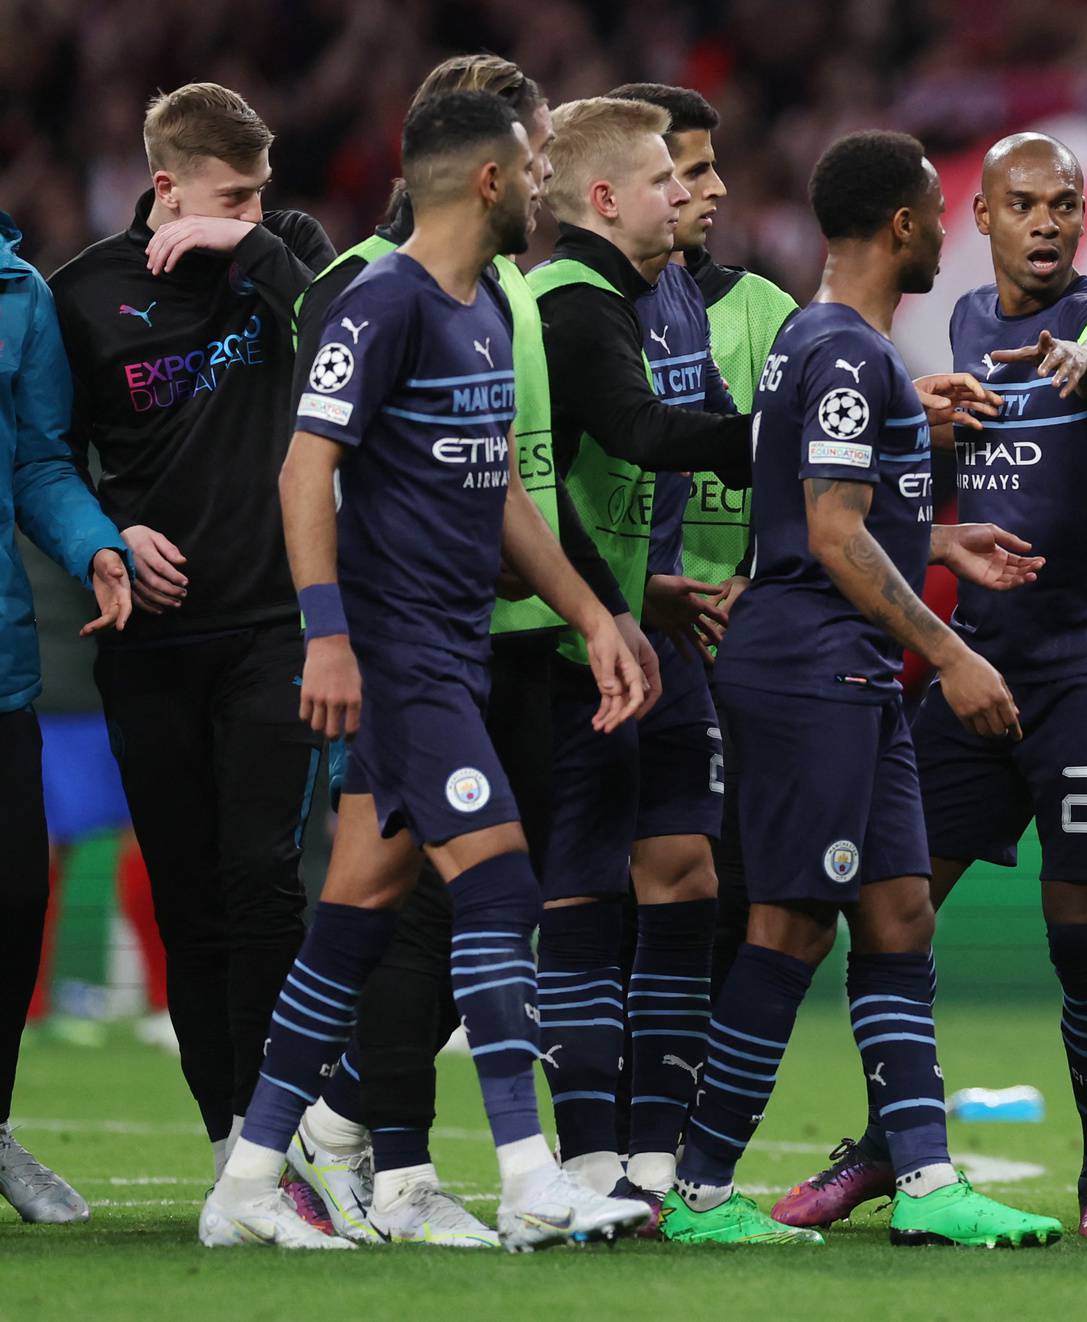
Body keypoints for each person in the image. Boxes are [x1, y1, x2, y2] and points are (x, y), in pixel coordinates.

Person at [198, 90, 652, 1251]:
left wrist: (593, 615)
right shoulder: (382, 300)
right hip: (400, 657)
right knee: (500, 887)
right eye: (539, 160)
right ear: (490, 180)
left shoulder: (488, 308)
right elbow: (306, 472)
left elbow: (497, 494)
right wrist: (328, 633)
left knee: (352, 920)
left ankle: (247, 1179)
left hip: (456, 651)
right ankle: (527, 1174)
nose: (549, 178)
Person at [661, 129, 1058, 1249]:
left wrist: (937, 538)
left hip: (847, 666)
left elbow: (821, 513)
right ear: (900, 226)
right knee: (791, 924)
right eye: (938, 212)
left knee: (896, 912)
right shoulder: (846, 353)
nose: (947, 232)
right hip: (814, 668)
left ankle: (929, 1181)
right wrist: (956, 647)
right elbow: (830, 537)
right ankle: (698, 1191)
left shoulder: (819, 339)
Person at [770, 131, 1087, 1240]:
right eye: (1024, 203)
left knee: (1082, 919)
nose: (1048, 222)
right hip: (974, 655)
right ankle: (896, 1141)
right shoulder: (957, 332)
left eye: (1066, 204)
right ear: (980, 216)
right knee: (892, 905)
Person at [49, 83, 334, 1174]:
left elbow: (349, 343)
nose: (255, 211)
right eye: (233, 194)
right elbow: (51, 459)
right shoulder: (84, 298)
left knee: (264, 880)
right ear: (165, 184)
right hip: (152, 644)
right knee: (189, 895)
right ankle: (229, 1135)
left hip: (275, 623)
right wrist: (110, 530)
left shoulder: (285, 258)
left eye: (262, 194)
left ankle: (278, 1131)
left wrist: (245, 243)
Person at [524, 94, 756, 1204]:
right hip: (557, 647)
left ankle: (658, 1159)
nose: (693, 194)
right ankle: (583, 1158)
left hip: (641, 633)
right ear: (608, 198)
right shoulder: (563, 304)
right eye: (671, 178)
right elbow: (638, 435)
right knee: (574, 893)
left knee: (686, 870)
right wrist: (819, 420)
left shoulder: (664, 296)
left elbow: (711, 433)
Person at [602, 82, 799, 1000]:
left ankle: (662, 1127)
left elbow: (804, 475)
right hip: (596, 632)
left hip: (726, 635)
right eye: (694, 168)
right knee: (587, 888)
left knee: (721, 889)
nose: (715, 187)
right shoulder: (569, 309)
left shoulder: (763, 310)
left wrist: (758, 580)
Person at [0, 208, 132, 1225]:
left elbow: (41, 463)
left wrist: (94, 541)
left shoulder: (19, 295)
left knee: (12, 899)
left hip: (3, 667)